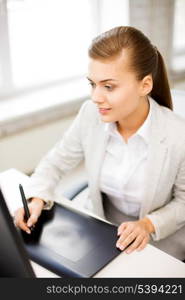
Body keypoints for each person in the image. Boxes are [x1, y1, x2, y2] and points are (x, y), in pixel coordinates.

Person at [14, 26, 185, 260]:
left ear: (145, 85)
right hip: (102, 230)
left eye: (109, 86)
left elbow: (184, 202)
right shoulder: (90, 114)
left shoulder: (178, 135)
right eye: (92, 84)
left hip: (160, 243)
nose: (95, 97)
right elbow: (56, 162)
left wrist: (147, 224)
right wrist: (36, 198)